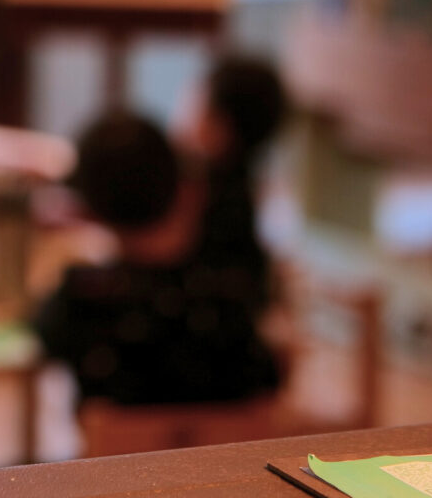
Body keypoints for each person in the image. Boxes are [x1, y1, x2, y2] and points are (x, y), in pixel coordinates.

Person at [30, 113, 279, 409]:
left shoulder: (82, 302)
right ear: (181, 189)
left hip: (116, 441)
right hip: (226, 440)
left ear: (90, 209)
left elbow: (43, 338)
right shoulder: (226, 297)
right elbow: (267, 380)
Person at [186, 52, 288, 310]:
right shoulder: (244, 193)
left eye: (196, 101)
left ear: (221, 129)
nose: (184, 109)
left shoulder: (199, 199)